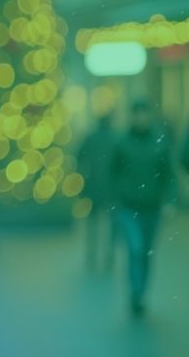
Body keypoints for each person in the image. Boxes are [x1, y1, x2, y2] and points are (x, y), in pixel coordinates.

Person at [109, 99, 175, 317]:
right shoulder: (122, 142)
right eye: (136, 114)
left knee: (146, 252)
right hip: (129, 208)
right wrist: (116, 198)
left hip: (152, 208)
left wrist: (170, 201)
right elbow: (112, 172)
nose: (140, 118)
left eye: (143, 113)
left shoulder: (159, 142)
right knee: (135, 248)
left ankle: (141, 292)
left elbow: (168, 174)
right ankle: (135, 293)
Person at [76, 113, 118, 272]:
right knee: (111, 224)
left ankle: (91, 253)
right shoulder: (116, 138)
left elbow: (79, 157)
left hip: (93, 187)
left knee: (93, 223)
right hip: (111, 189)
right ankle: (109, 254)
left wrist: (85, 175)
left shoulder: (90, 138)